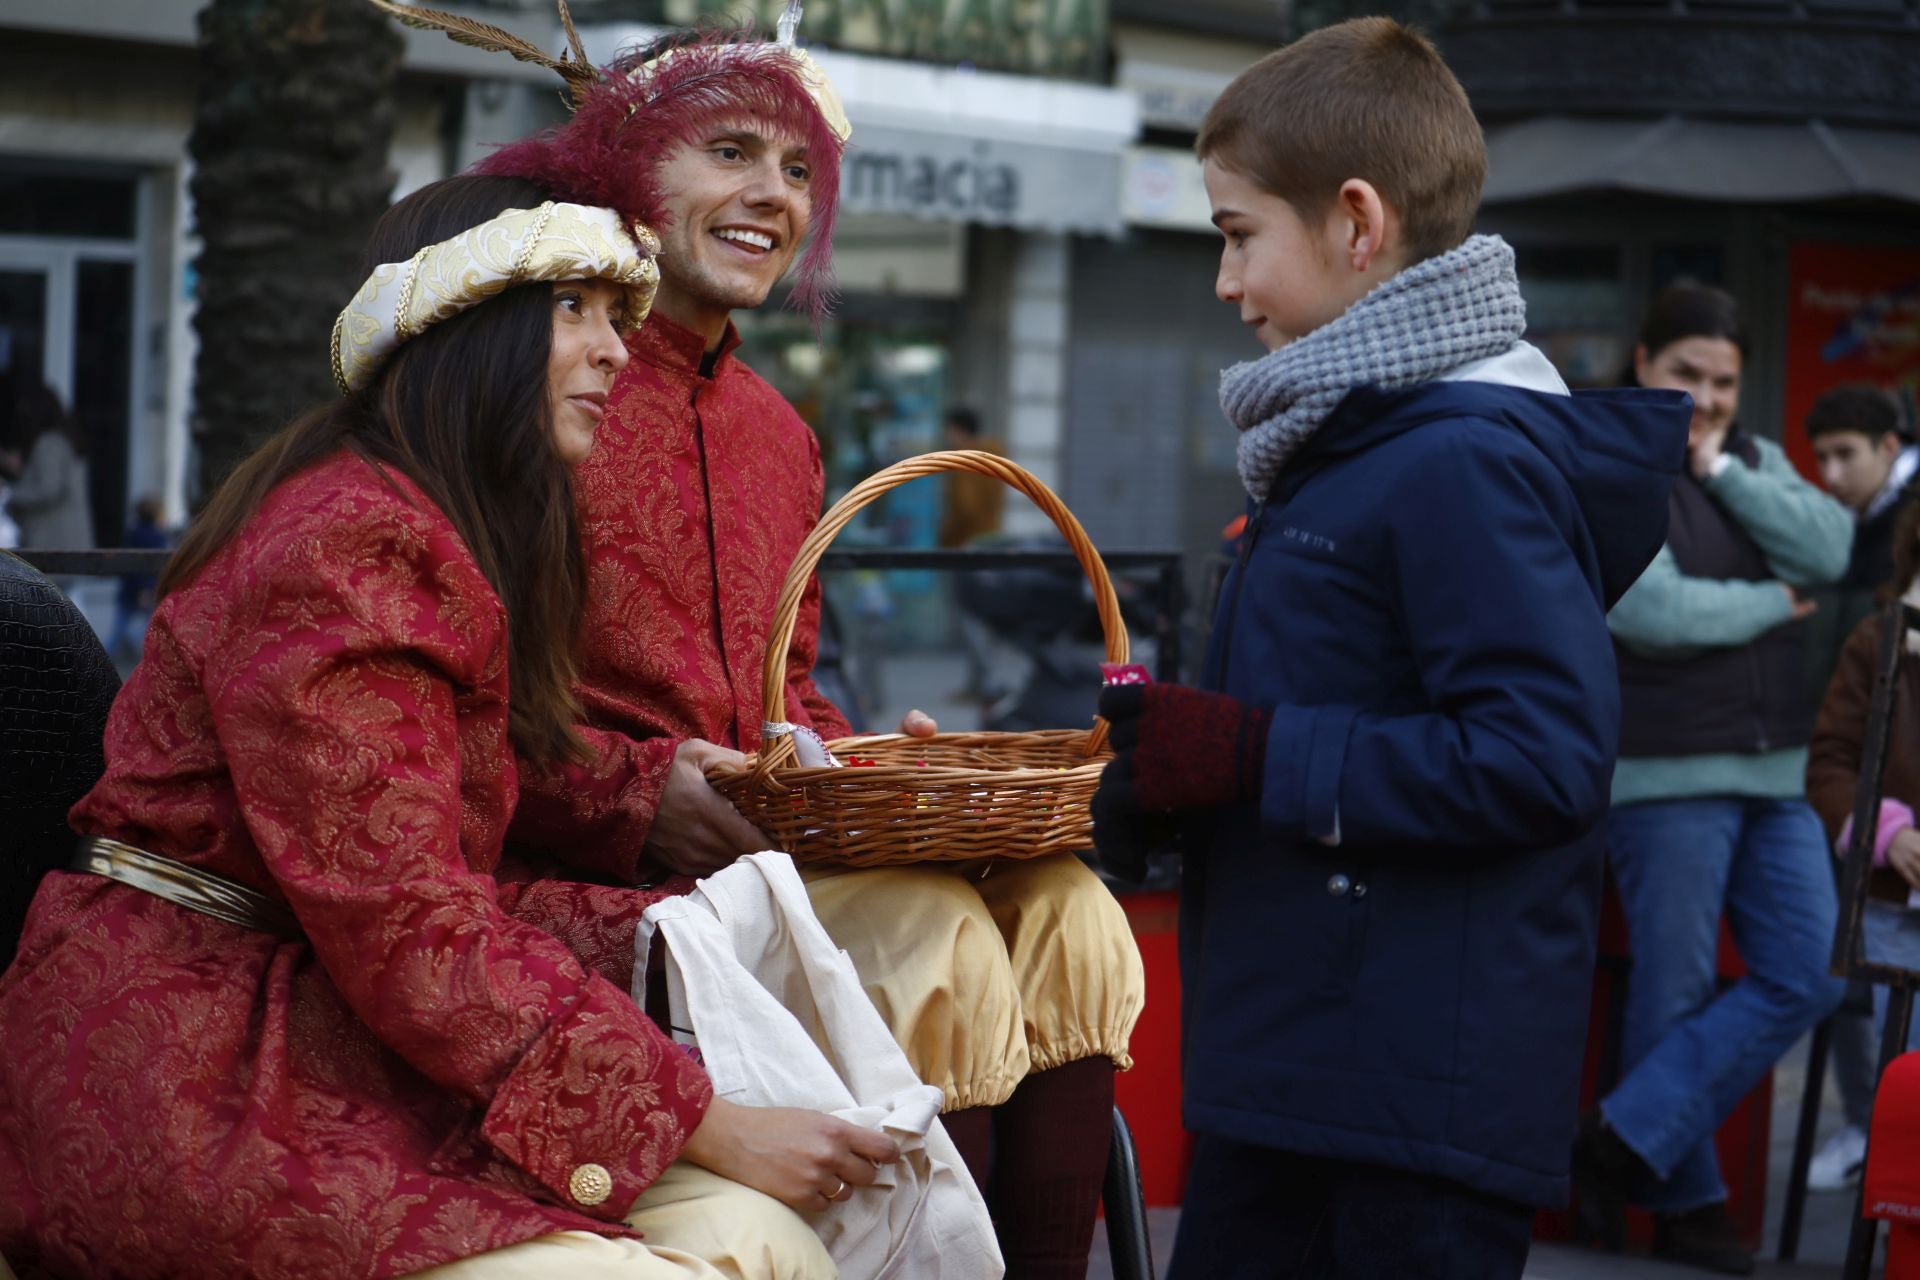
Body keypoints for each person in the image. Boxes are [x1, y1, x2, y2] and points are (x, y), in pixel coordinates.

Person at [0, 173, 897, 1280]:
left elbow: (428, 892)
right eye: (574, 307)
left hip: (305, 1024)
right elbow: (405, 924)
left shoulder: (427, 527)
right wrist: (709, 1119)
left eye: (618, 315)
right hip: (186, 1074)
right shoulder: (347, 545)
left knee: (767, 1237)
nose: (618, 350)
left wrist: (675, 939)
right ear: (461, 322)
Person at [439, 22, 1144, 1280]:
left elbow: (786, 692)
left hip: (776, 862)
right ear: (625, 174)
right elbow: (441, 712)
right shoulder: (534, 390)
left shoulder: (781, 433)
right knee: (935, 932)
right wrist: (641, 797)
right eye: (729, 151)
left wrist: (861, 764)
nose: (775, 191)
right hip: (589, 885)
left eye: (798, 167)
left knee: (1075, 912)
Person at [1089, 19, 1690, 1279]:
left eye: (1238, 233)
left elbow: (1542, 761)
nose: (1225, 279)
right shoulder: (1360, 439)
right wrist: (1176, 780)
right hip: (1323, 1072)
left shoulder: (1459, 455)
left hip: (1401, 1111)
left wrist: (1252, 754)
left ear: (1356, 225)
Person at [1576, 284, 1853, 1274]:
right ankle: (1686, 1202)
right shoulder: (1605, 457)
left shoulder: (1749, 458)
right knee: (1679, 983)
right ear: (1643, 361)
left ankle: (1619, 1137)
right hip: (1661, 771)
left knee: (1815, 968)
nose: (1707, 392)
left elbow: (1830, 545)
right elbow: (1651, 612)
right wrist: (1775, 602)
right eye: (1687, 372)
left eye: (1725, 380)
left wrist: (1721, 467)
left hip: (1772, 771)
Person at [1801, 383, 1916, 1190]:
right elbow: (1838, 755)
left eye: (1848, 454)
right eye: (1824, 457)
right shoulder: (1884, 632)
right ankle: (1871, 1140)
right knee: (1879, 1019)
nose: (1833, 474)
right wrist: (1886, 828)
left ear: (1890, 445)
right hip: (1893, 876)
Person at [105, 493, 167, 667]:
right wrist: (147, 589)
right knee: (150, 626)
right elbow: (150, 566)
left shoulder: (132, 533)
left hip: (128, 589)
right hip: (144, 590)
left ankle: (106, 654)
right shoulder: (155, 537)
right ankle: (147, 657)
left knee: (120, 626)